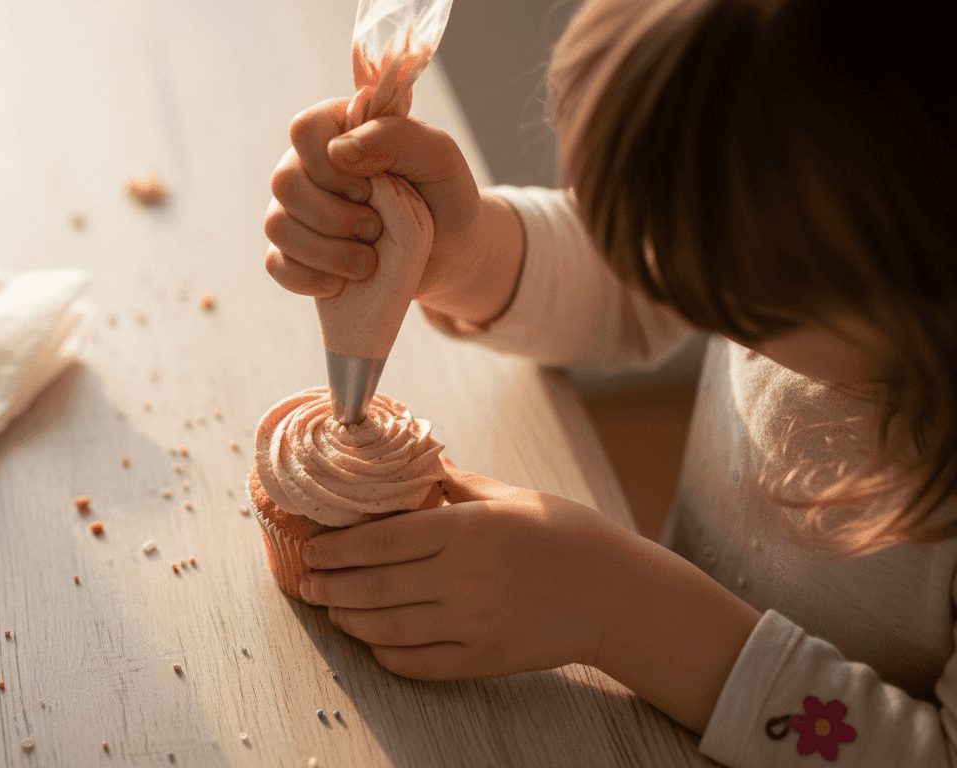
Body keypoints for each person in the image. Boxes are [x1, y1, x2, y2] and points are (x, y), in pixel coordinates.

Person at [261, 0, 957, 764]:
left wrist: (619, 612)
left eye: (735, 299)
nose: (678, 287)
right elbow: (630, 282)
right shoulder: (830, 251)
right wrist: (468, 253)